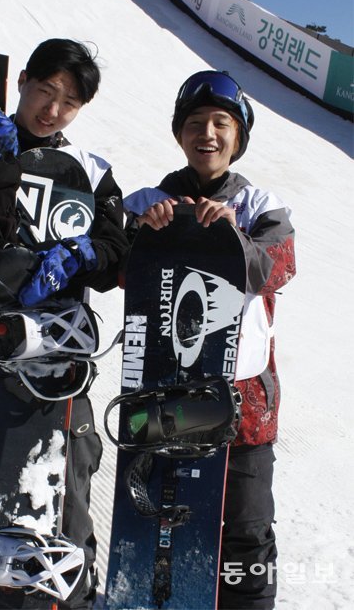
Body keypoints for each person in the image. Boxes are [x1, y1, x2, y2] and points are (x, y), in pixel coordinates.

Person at [0, 38, 129, 610]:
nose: (53, 110)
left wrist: (85, 253)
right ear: (22, 81)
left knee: (65, 482)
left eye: (69, 102)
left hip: (55, 354)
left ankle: (67, 596)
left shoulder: (91, 170)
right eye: (45, 91)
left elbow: (117, 251)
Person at [124, 70, 296, 609]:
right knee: (163, 523)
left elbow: (276, 269)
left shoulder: (260, 205)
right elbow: (115, 270)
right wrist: (142, 231)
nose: (208, 134)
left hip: (245, 405)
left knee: (246, 529)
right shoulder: (147, 201)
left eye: (222, 123)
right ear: (179, 133)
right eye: (195, 123)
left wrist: (229, 235)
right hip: (163, 396)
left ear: (239, 135)